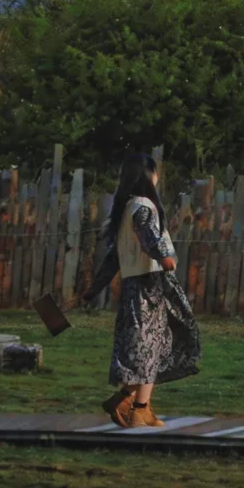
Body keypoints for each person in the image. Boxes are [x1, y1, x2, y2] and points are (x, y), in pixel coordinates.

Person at [81, 152, 201, 428]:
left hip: (136, 284)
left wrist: (93, 289)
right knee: (151, 347)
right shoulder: (143, 207)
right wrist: (163, 257)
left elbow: (113, 258)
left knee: (151, 347)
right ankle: (139, 409)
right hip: (150, 285)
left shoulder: (125, 209)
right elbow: (148, 234)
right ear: (148, 176)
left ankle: (130, 402)